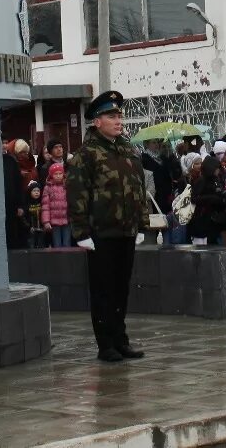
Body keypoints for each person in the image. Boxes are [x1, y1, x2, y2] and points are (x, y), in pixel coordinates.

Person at [65, 90, 148, 363]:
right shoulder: (86, 154)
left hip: (126, 230)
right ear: (96, 121)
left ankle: (121, 339)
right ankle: (106, 344)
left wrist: (141, 224)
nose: (118, 120)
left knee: (121, 289)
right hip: (100, 233)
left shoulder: (127, 149)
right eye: (111, 116)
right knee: (103, 290)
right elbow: (77, 193)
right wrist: (81, 233)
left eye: (119, 115)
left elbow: (139, 189)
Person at [39, 162, 70, 247]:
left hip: (66, 219)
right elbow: (45, 206)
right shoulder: (48, 187)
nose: (58, 176)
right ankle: (58, 260)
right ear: (51, 175)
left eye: (60, 173)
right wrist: (46, 221)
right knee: (57, 244)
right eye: (56, 174)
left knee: (67, 243)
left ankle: (67, 259)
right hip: (54, 221)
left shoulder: (67, 186)